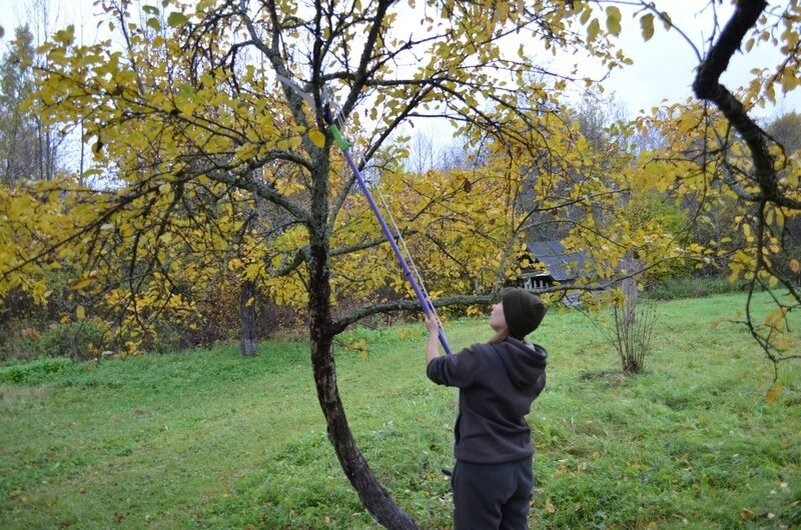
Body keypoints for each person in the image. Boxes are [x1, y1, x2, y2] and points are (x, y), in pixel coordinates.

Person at [424, 288, 548, 530]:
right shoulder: (535, 364)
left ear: (511, 316)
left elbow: (435, 369)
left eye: (501, 304)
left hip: (483, 469)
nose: (494, 306)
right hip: (520, 466)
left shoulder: (481, 357)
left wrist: (432, 333)